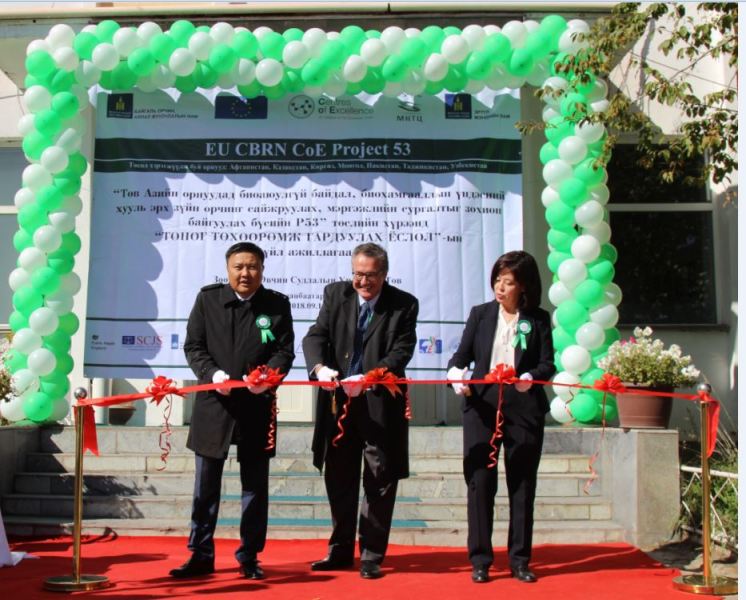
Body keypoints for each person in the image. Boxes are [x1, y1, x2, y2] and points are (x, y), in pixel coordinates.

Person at [170, 242, 294, 580]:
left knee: (255, 489)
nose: (245, 273)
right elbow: (193, 346)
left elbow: (284, 351)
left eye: (252, 266)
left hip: (257, 407)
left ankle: (249, 556)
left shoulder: (277, 305)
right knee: (205, 488)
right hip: (214, 406)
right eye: (239, 266)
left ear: (262, 270)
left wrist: (268, 378)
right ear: (227, 269)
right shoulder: (208, 300)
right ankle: (200, 554)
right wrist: (212, 375)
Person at [302, 243, 418, 580]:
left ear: (383, 275)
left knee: (380, 479)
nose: (362, 282)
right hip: (339, 403)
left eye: (369, 276)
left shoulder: (403, 304)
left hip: (379, 405)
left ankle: (371, 554)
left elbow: (401, 350)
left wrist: (370, 378)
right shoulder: (336, 295)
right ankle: (339, 551)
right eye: (357, 274)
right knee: (338, 476)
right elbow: (316, 336)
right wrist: (320, 368)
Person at [447, 250, 555, 584]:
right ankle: (480, 558)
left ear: (523, 286)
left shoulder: (536, 318)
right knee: (480, 482)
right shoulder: (480, 315)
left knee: (522, 484)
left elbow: (547, 364)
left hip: (524, 409)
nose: (500, 287)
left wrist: (529, 378)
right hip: (482, 406)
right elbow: (461, 356)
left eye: (508, 282)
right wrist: (456, 375)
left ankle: (520, 559)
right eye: (498, 279)